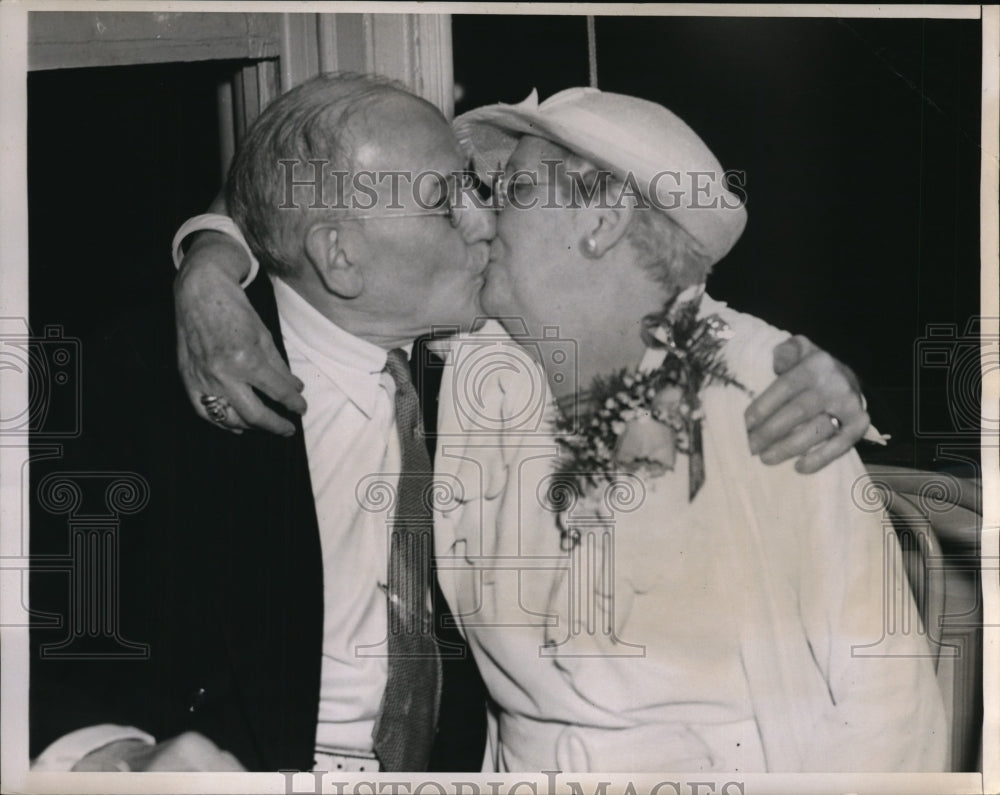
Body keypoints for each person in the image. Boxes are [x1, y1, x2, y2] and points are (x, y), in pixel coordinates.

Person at [31, 73, 869, 774]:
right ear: (340, 257)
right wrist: (111, 761)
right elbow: (40, 636)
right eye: (447, 203)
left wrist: (803, 375)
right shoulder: (158, 376)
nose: (484, 222)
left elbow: (676, 322)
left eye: (481, 191)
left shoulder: (485, 354)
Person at [427, 87, 947, 771]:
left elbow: (891, 712)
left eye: (514, 191)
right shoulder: (482, 366)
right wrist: (230, 259)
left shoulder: (768, 396)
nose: (486, 220)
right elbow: (317, 282)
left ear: (604, 216)